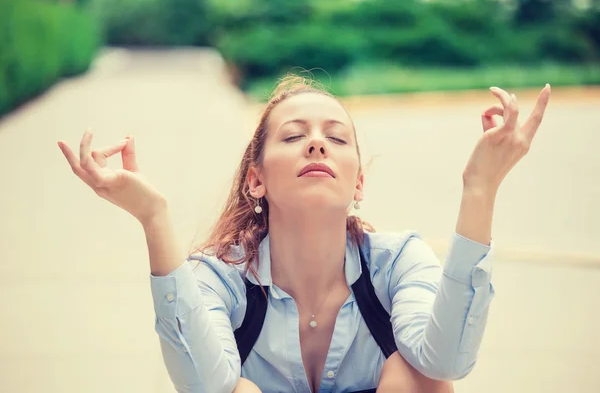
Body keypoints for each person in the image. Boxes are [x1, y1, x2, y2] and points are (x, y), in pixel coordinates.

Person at [57, 75, 551, 393]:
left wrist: (480, 188)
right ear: (257, 179)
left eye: (336, 138)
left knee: (417, 377)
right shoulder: (221, 277)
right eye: (294, 136)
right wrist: (154, 216)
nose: (317, 143)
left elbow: (449, 360)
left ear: (358, 181)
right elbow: (203, 383)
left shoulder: (398, 261)